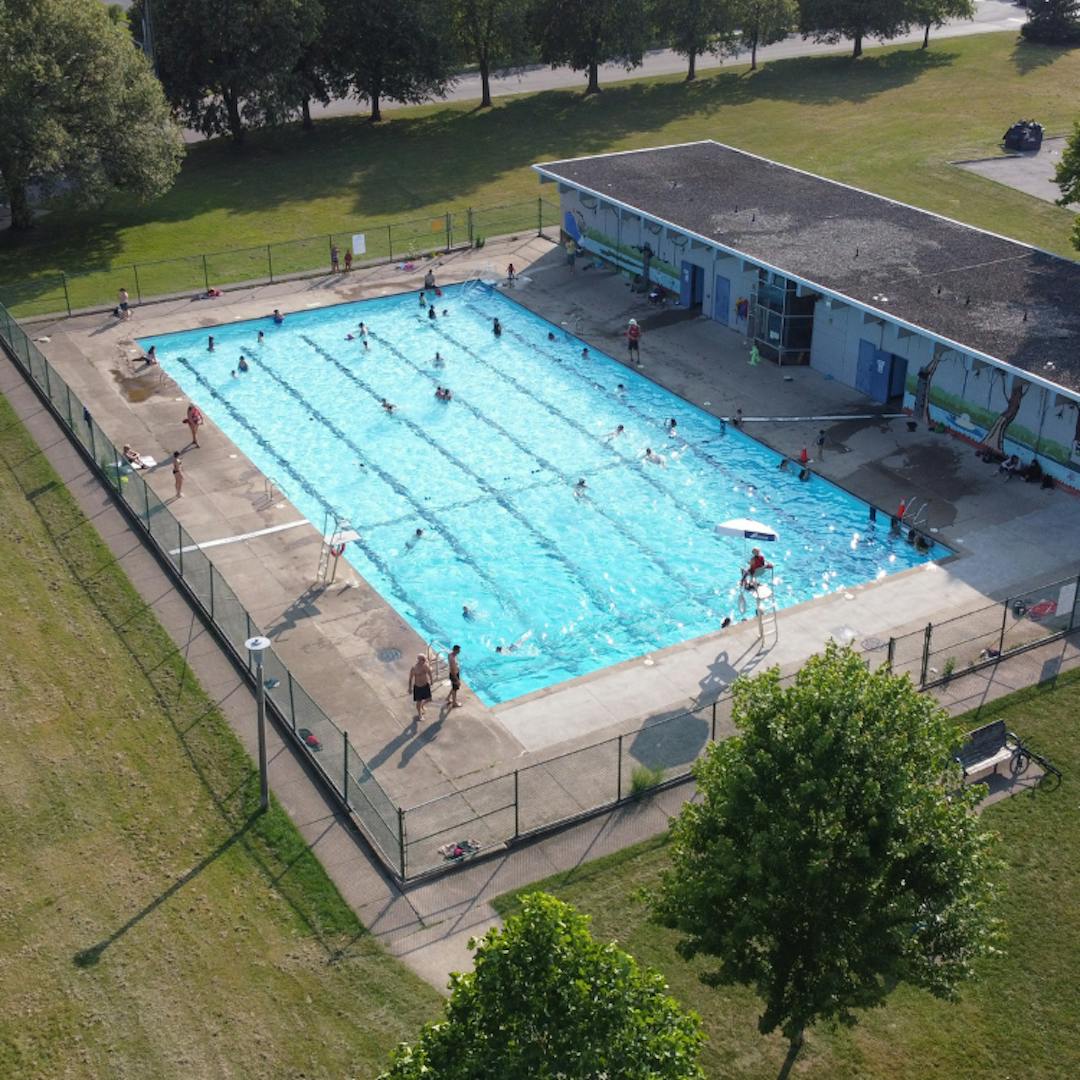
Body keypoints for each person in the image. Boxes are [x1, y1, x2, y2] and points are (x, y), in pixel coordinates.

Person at [408, 654, 433, 722]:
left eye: (425, 660)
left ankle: (422, 705)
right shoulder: (414, 668)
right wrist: (410, 688)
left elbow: (429, 672)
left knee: (429, 699)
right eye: (424, 660)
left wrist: (431, 680)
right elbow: (410, 679)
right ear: (419, 660)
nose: (425, 661)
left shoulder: (425, 665)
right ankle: (420, 714)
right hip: (418, 687)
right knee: (418, 702)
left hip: (425, 685)